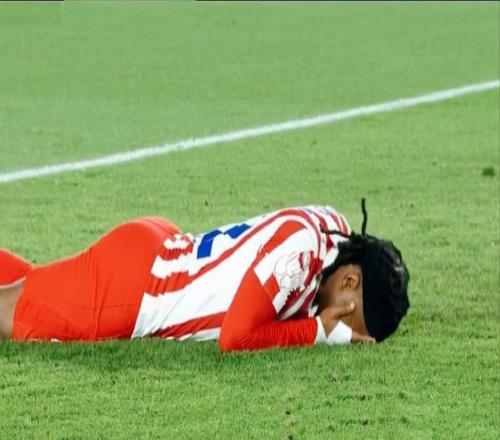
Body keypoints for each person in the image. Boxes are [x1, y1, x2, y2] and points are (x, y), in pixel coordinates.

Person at [0, 200, 410, 351]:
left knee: (28, 287)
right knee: (10, 315)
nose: (342, 326)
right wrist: (318, 332)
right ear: (350, 282)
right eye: (349, 317)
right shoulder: (299, 256)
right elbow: (235, 338)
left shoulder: (334, 232)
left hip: (156, 256)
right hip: (138, 293)